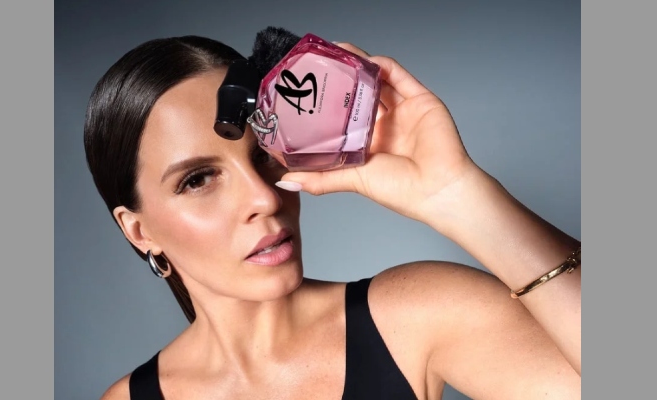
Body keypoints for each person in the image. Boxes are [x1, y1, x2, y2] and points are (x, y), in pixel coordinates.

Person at [84, 35, 581, 400]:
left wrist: (457, 194)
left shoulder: (414, 316)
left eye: (263, 155)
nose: (264, 197)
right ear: (139, 231)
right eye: (197, 180)